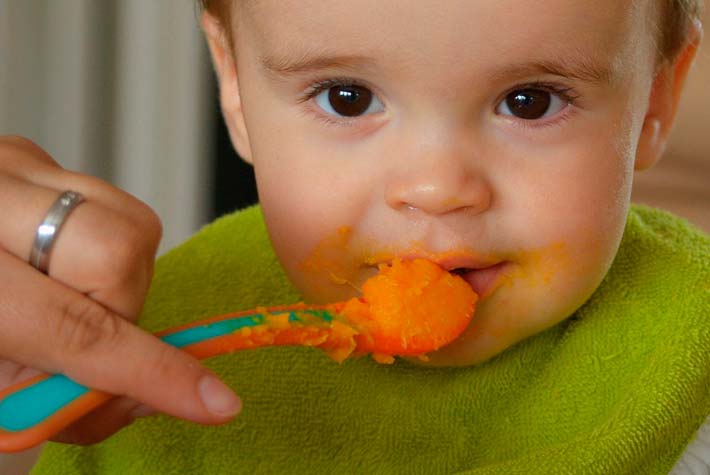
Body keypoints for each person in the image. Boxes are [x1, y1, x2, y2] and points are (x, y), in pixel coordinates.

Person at [1, 0, 707, 472]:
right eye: (348, 96)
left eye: (530, 101)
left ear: (654, 101)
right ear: (237, 89)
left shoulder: (692, 349)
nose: (436, 187)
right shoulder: (143, 338)